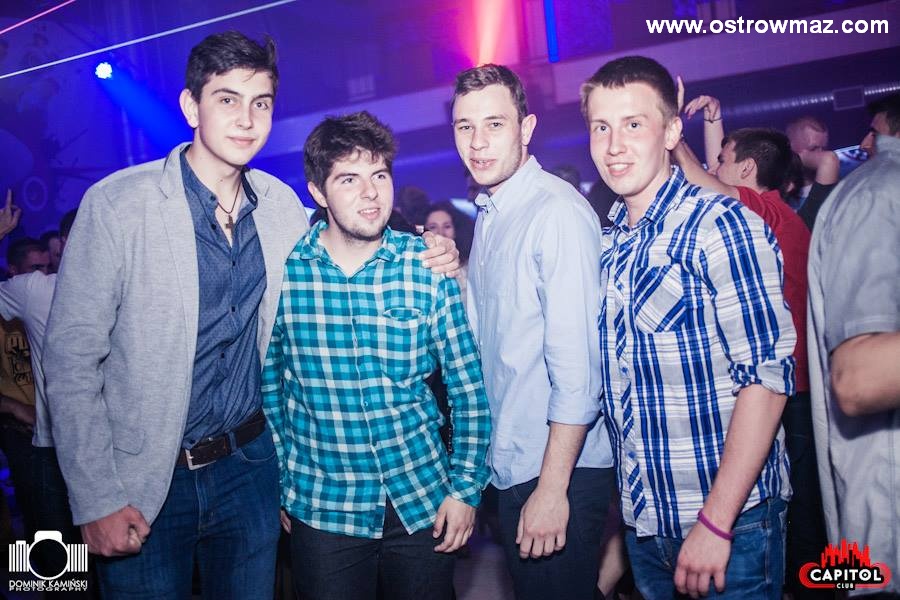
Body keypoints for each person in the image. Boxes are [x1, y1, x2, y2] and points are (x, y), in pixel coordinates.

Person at [43, 31, 458, 599]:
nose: (246, 119)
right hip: (146, 479)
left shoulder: (280, 205)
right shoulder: (119, 204)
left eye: (260, 102)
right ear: (192, 107)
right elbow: (70, 360)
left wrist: (433, 249)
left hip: (250, 470)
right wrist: (95, 498)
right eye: (227, 99)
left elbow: (352, 240)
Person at [581, 56, 796, 599]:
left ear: (673, 132)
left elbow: (767, 381)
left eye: (633, 124)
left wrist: (716, 524)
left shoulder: (721, 225)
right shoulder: (610, 246)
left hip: (732, 525)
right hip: (645, 524)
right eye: (601, 127)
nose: (614, 145)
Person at [262, 111, 490, 600]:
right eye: (349, 179)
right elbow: (270, 388)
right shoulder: (286, 274)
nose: (371, 193)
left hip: (422, 502)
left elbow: (468, 388)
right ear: (318, 193)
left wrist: (465, 490)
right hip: (324, 509)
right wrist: (284, 481)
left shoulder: (426, 267)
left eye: (380, 175)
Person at [452, 63, 615, 600]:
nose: (477, 142)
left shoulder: (554, 212)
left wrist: (551, 488)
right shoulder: (494, 211)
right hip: (514, 463)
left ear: (526, 128)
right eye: (465, 126)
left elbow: (579, 372)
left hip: (555, 469)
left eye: (494, 124)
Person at [673, 102, 829, 598]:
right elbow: (716, 175)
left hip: (785, 391)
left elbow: (703, 182)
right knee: (801, 511)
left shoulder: (767, 211)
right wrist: (713, 124)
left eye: (724, 159)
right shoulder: (782, 216)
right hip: (800, 387)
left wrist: (672, 130)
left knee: (789, 517)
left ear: (745, 171)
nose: (715, 164)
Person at [807, 94, 900, 598]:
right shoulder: (880, 193)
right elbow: (858, 378)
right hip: (886, 543)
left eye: (873, 133)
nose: (864, 144)